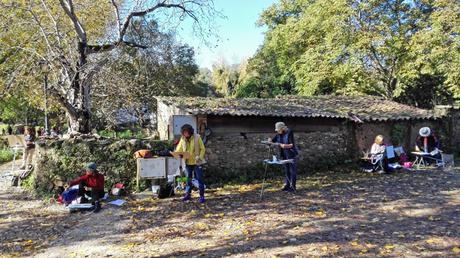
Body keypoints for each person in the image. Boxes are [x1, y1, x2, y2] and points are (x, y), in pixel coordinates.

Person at [174, 124, 206, 203]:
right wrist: (177, 153)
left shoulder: (197, 137)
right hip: (188, 163)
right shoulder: (182, 139)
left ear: (190, 131)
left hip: (197, 162)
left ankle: (201, 196)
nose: (185, 134)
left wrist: (200, 157)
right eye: (184, 132)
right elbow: (178, 149)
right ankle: (188, 195)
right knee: (188, 180)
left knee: (200, 179)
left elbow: (203, 149)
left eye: (186, 132)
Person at [271, 122, 299, 192]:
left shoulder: (289, 132)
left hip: (291, 154)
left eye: (278, 130)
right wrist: (269, 140)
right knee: (287, 171)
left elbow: (291, 145)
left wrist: (284, 146)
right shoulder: (278, 134)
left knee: (292, 171)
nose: (277, 131)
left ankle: (293, 187)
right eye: (277, 130)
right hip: (284, 155)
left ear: (282, 128)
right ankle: (287, 185)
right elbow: (272, 140)